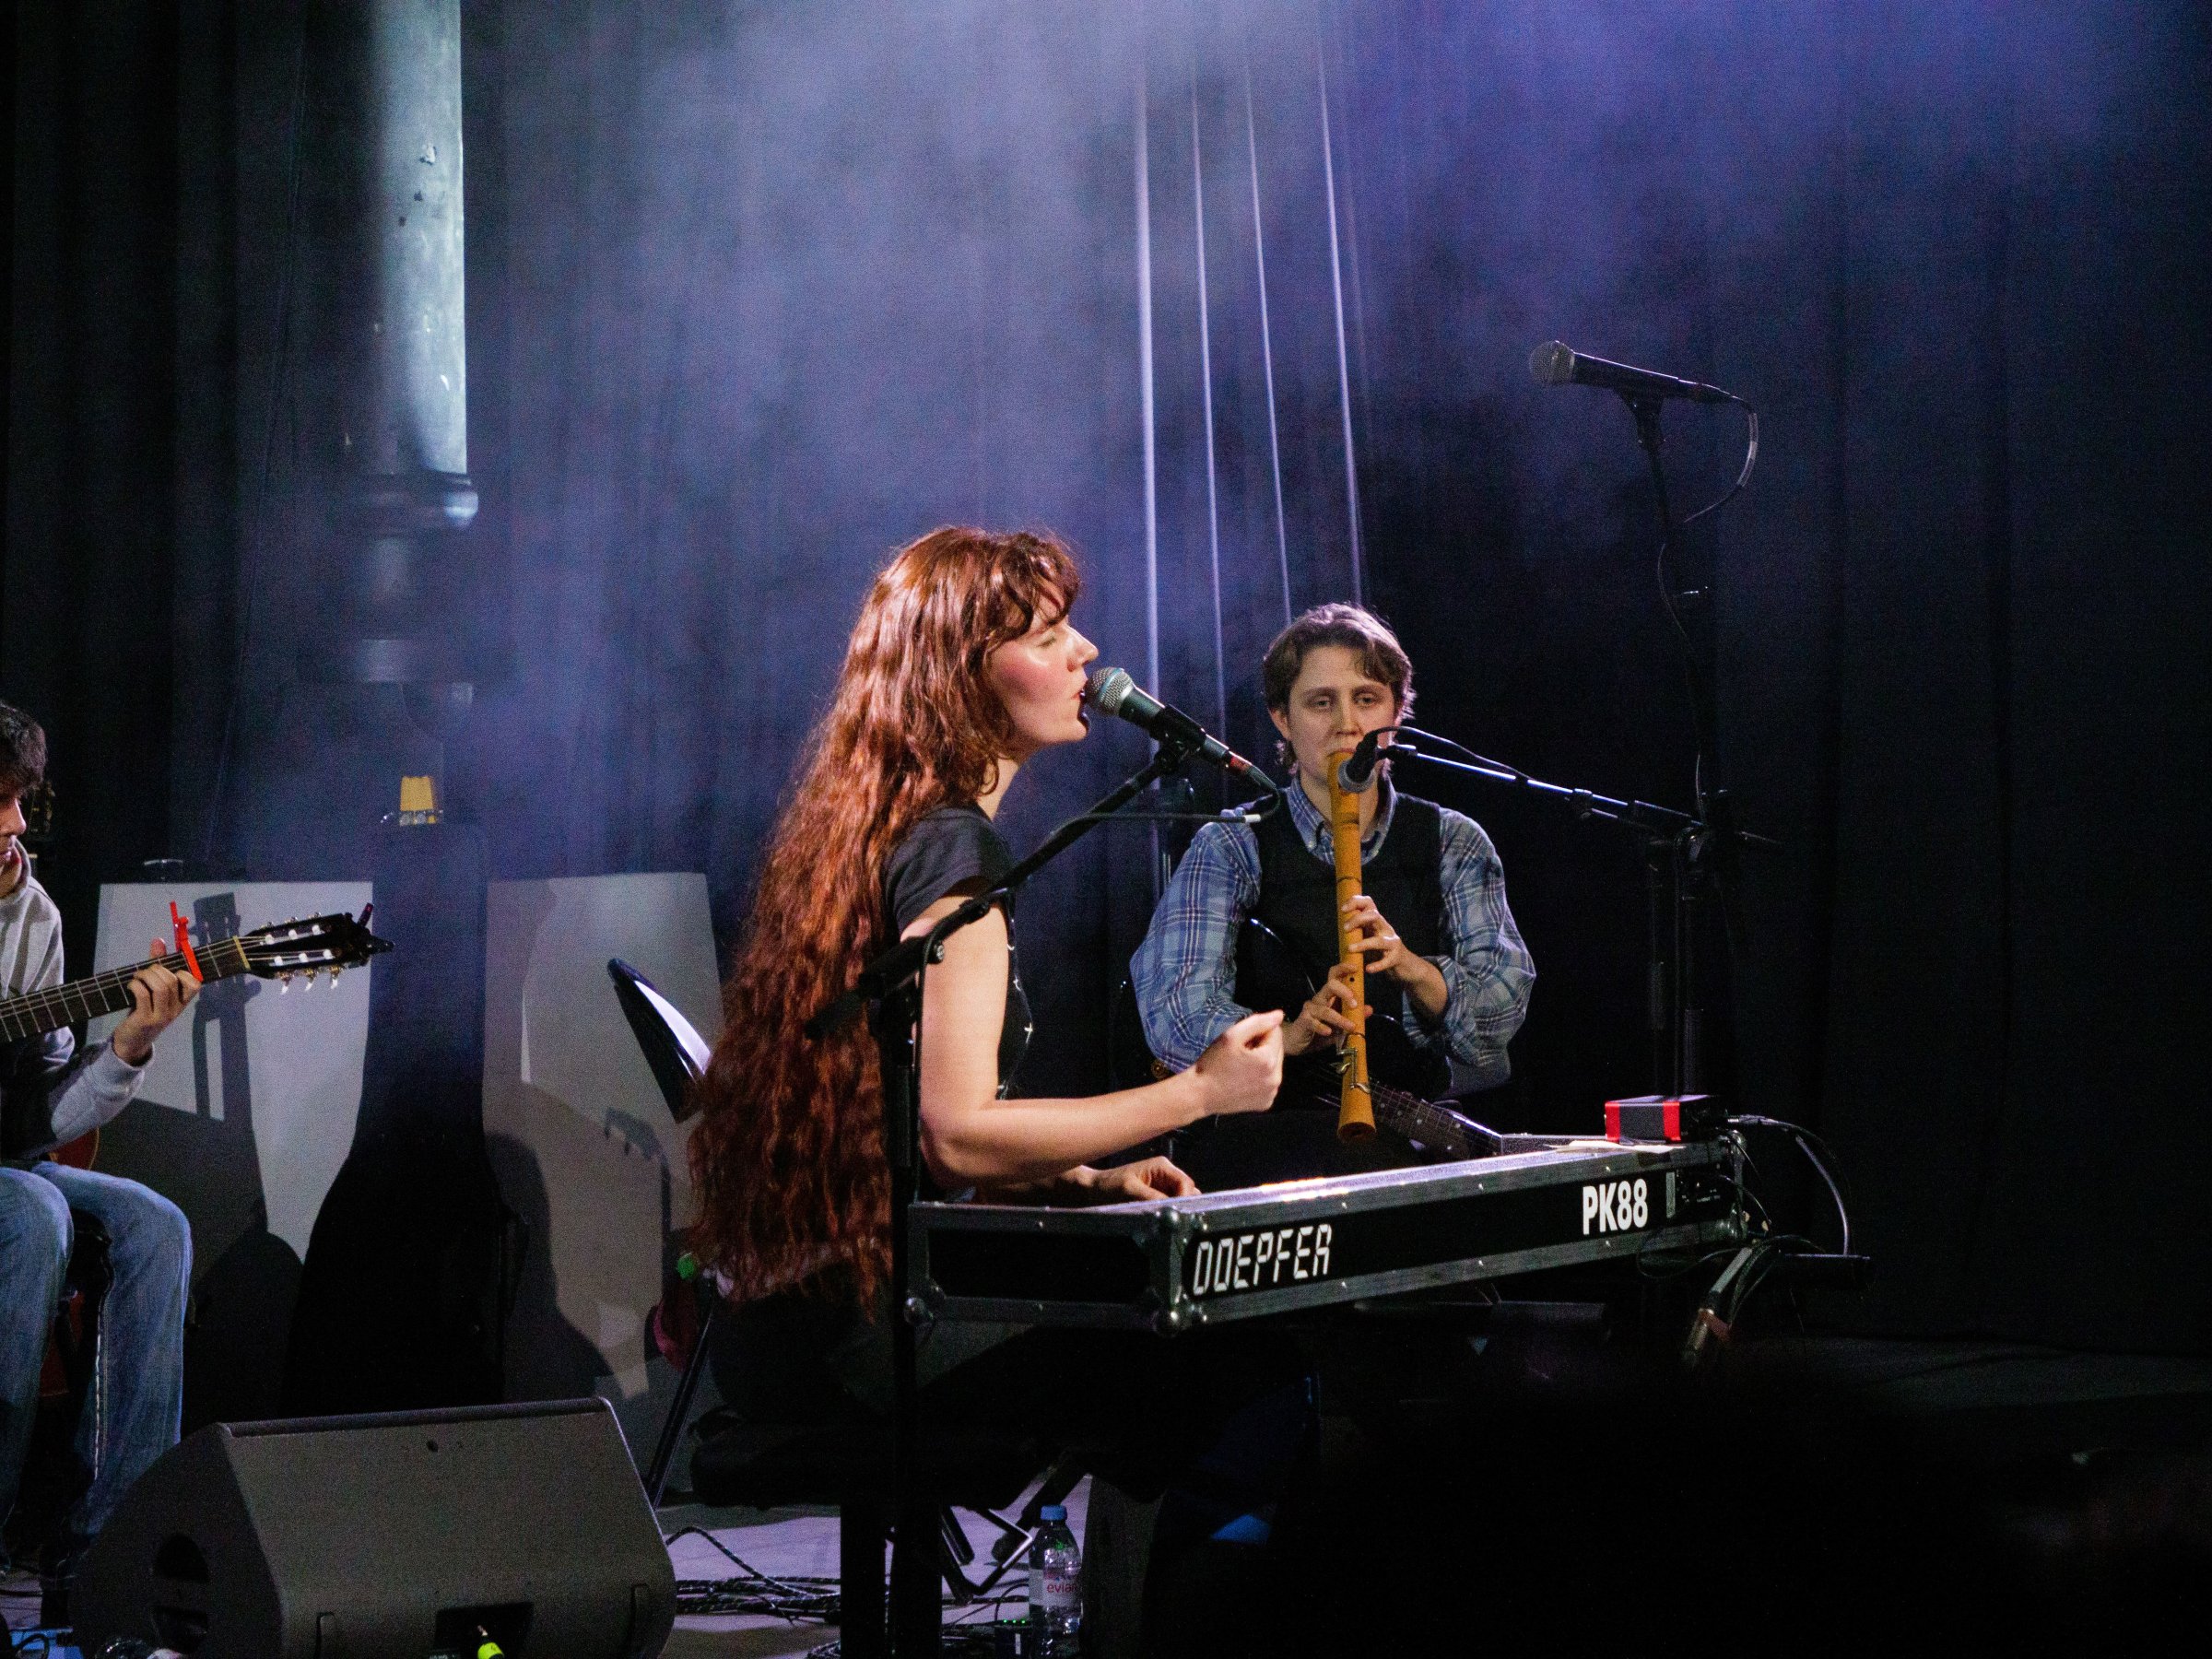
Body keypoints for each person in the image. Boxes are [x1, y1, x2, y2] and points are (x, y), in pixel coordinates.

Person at [686, 529, 1302, 1648]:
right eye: (1050, 635)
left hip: (791, 1319)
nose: (1087, 655)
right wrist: (1201, 1092)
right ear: (965, 671)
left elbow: (897, 1118)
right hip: (869, 1343)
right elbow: (960, 1139)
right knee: (1237, 1348)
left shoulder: (877, 826)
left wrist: (1078, 1177)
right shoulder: (955, 853)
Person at [1130, 603, 1535, 1184]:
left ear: (1397, 711)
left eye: (1366, 699)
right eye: (1322, 701)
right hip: (1269, 1147)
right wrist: (1290, 1035)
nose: (1347, 723)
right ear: (1283, 719)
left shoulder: (1453, 841)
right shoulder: (1231, 845)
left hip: (1412, 1146)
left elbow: (1500, 1017)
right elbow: (1174, 1014)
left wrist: (1415, 971)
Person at [0, 700, 200, 1581]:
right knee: (34, 1216)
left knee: (157, 1227)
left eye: (19, 800)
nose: (12, 823)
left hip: (6, 1163)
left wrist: (127, 1047)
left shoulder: (34, 917)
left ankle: (108, 1542)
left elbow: (34, 1122)